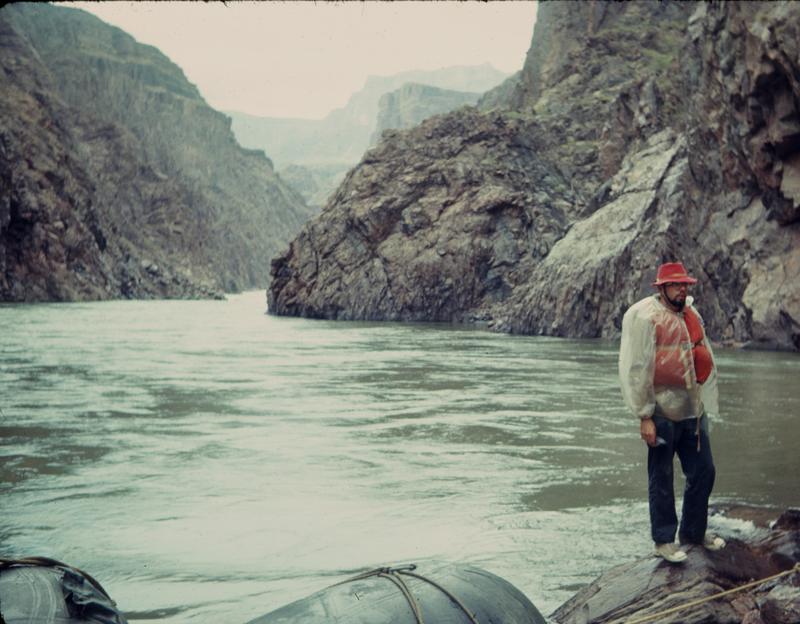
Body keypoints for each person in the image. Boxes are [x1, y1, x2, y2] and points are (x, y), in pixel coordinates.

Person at [619, 262, 726, 563]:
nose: (682, 289)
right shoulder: (646, 317)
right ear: (662, 288)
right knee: (661, 477)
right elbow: (636, 369)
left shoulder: (691, 313)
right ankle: (664, 541)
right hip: (661, 412)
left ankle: (693, 533)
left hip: (692, 409)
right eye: (676, 284)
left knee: (704, 470)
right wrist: (644, 416)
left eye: (684, 284)